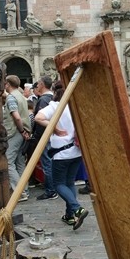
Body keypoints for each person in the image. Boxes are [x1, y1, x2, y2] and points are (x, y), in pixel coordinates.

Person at [34, 80, 90, 230]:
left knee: (58, 184)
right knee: (69, 183)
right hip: (76, 151)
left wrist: (55, 129)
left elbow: (38, 118)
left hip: (61, 153)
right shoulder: (73, 107)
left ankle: (77, 208)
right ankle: (70, 215)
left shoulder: (54, 106)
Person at [3, 75, 31, 201]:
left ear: (8, 84)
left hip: (15, 132)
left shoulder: (11, 98)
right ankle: (24, 189)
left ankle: (19, 192)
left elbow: (17, 117)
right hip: (22, 132)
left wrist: (21, 130)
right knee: (20, 162)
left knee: (9, 162)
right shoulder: (22, 97)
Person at [33, 76, 57, 200]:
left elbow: (40, 120)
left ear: (42, 85)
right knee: (50, 161)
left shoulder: (43, 100)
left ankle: (50, 190)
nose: (37, 86)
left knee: (47, 163)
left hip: (44, 136)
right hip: (52, 135)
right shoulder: (52, 98)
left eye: (38, 84)